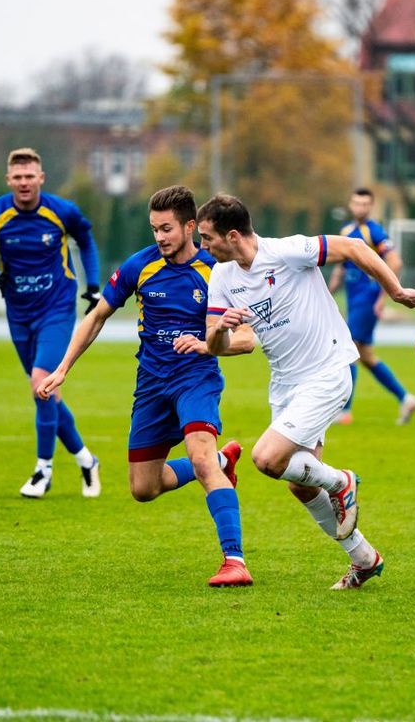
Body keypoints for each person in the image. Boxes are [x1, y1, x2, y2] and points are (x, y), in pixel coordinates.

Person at [197, 193, 415, 589]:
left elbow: (354, 248)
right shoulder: (221, 276)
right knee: (300, 483)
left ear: (232, 235)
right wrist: (220, 330)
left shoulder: (287, 251)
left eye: (206, 238)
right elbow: (216, 346)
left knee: (266, 458)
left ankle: (342, 482)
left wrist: (394, 291)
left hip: (327, 370)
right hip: (285, 383)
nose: (203, 247)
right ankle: (364, 559)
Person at [37, 185, 256, 587]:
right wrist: (63, 367)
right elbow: (97, 316)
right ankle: (223, 463)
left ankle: (234, 560)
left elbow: (247, 340)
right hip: (152, 386)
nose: (159, 237)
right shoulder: (141, 265)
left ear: (191, 226)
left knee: (202, 457)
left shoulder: (218, 270)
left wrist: (209, 346)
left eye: (167, 229)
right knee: (144, 488)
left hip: (196, 380)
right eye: (154, 228)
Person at [0, 147, 102, 499]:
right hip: (19, 313)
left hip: (57, 307)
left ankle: (43, 471)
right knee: (47, 393)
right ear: (9, 180)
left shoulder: (62, 211)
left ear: (41, 178)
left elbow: (86, 241)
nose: (24, 182)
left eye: (30, 176)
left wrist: (92, 286)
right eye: (18, 177)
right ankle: (87, 460)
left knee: (40, 384)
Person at [327, 187, 415, 426]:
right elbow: (340, 267)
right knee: (366, 356)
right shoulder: (346, 231)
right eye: (356, 203)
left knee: (348, 351)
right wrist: (327, 293)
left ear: (371, 207)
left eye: (365, 204)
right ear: (350, 205)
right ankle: (405, 398)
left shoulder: (374, 232)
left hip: (367, 300)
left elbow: (395, 262)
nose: (360, 208)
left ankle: (345, 411)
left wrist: (382, 298)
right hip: (354, 299)